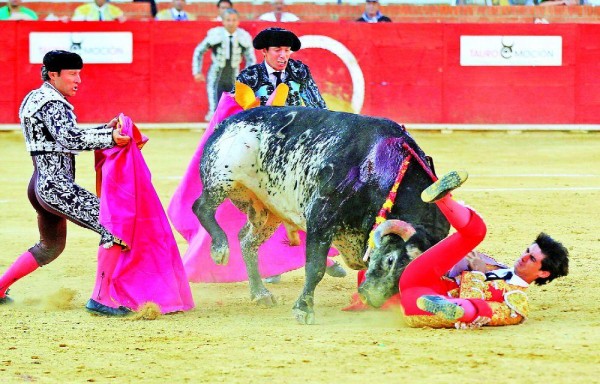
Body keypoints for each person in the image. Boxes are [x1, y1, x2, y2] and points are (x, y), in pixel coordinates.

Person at [0, 50, 134, 316]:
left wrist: (103, 131)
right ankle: (101, 297)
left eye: (79, 73)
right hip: (56, 187)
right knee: (114, 223)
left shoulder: (35, 98)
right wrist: (110, 138)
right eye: (73, 73)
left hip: (39, 184)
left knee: (50, 247)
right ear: (53, 74)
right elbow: (69, 140)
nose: (78, 80)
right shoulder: (53, 103)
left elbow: (62, 136)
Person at [366, 170, 569, 329]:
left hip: (419, 302)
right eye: (527, 250)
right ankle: (443, 198)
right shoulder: (495, 265)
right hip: (422, 278)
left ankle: (455, 309)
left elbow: (490, 314)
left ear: (544, 273)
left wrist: (478, 275)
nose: (523, 257)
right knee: (476, 232)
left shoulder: (517, 299)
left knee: (473, 310)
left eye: (532, 258)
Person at [235, 27, 327, 109]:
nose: (283, 55)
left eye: (287, 50)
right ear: (264, 51)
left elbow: (318, 107)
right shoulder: (248, 77)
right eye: (277, 50)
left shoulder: (299, 71)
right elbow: (234, 113)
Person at [192, 8, 256, 121]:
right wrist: (197, 71)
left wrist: (247, 76)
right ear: (223, 21)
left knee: (235, 107)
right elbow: (199, 51)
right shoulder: (215, 34)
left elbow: (251, 58)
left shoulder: (243, 36)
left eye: (233, 20)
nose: (231, 23)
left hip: (235, 77)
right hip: (216, 76)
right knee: (214, 107)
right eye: (228, 20)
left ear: (238, 21)